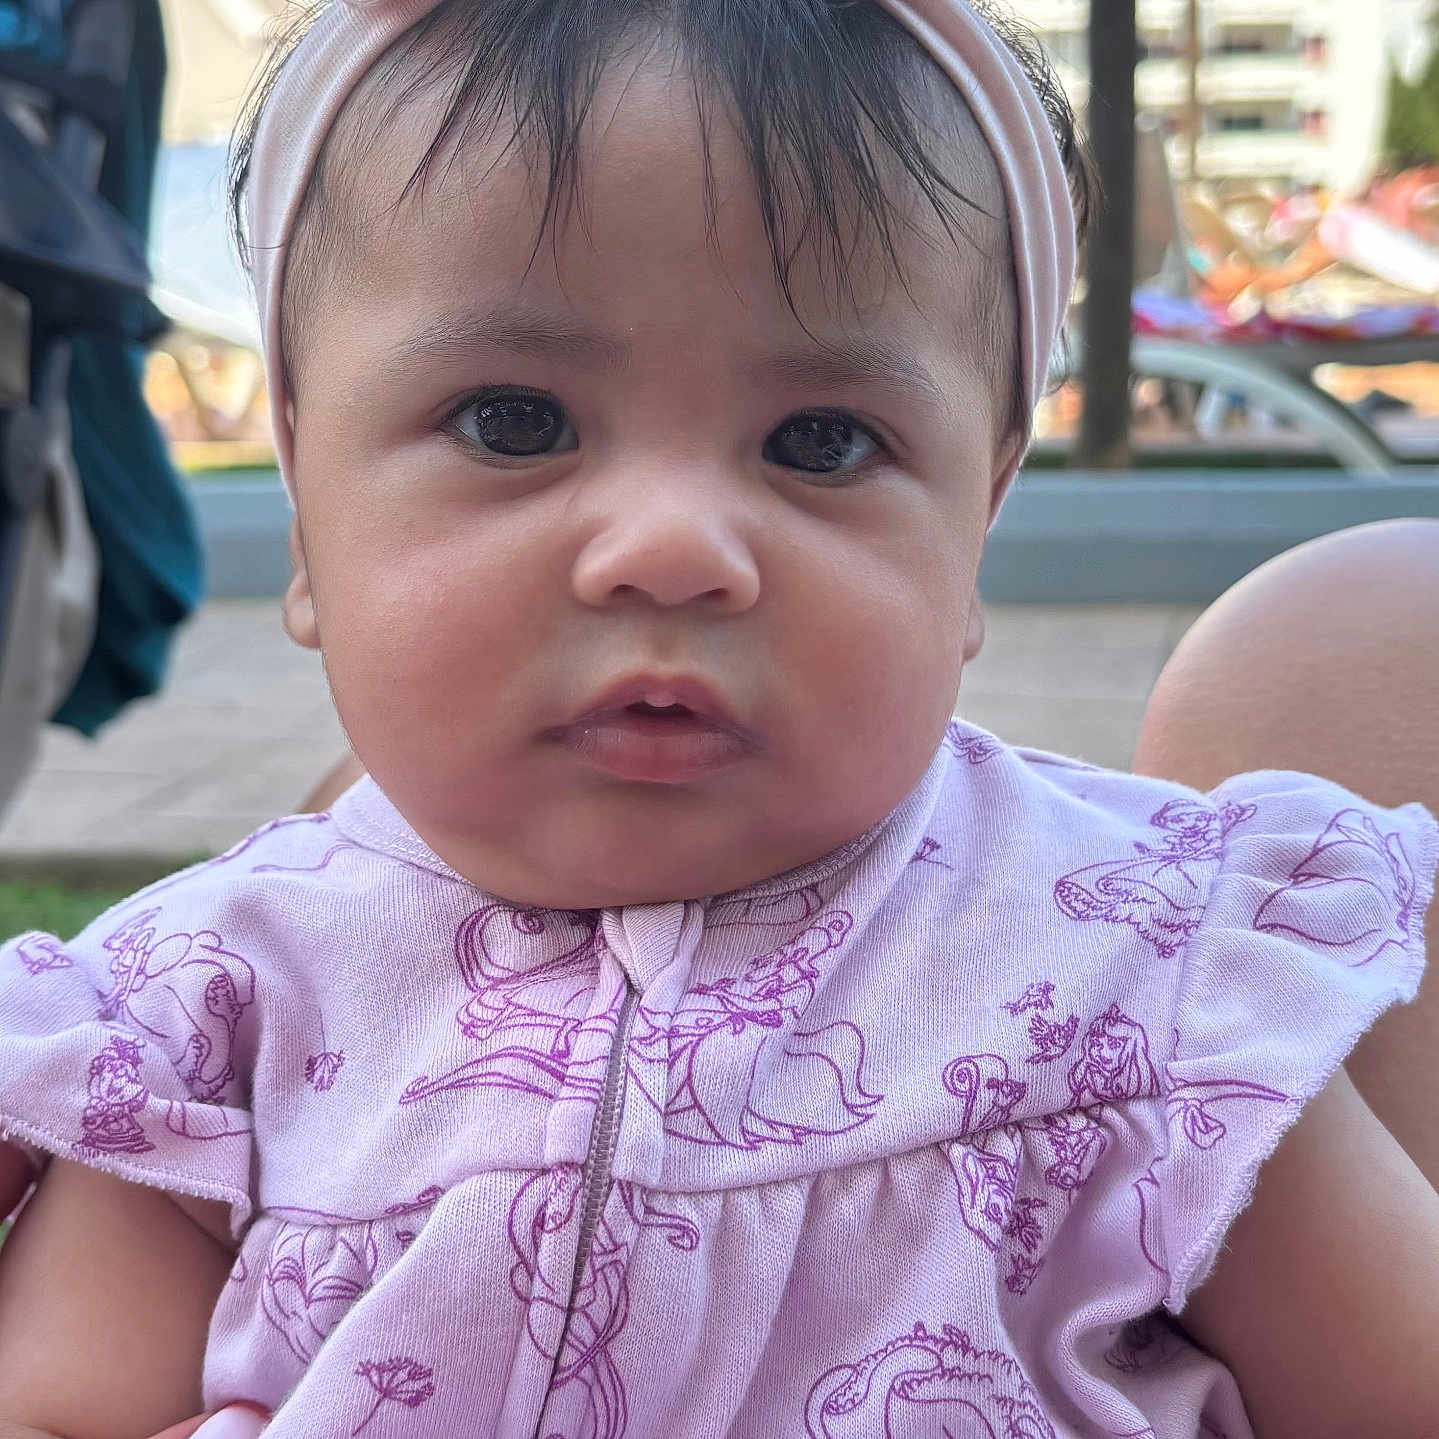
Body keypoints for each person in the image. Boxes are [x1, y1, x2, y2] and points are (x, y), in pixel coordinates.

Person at [0, 2, 1436, 1436]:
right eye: (515, 421)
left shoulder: (1157, 976)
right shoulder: (206, 1019)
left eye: (823, 441)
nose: (673, 546)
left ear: (974, 530)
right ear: (308, 512)